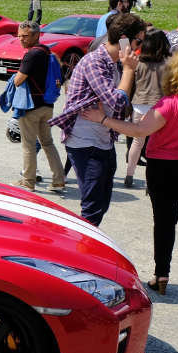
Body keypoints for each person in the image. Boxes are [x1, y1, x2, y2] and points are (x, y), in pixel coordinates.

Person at [80, 49, 178, 295]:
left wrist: (103, 119)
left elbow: (139, 131)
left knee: (164, 223)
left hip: (164, 168)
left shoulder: (170, 104)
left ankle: (161, 274)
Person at [48, 13, 147, 226]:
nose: (140, 46)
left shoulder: (113, 63)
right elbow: (118, 102)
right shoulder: (96, 61)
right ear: (123, 38)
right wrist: (129, 71)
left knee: (102, 204)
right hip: (84, 142)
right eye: (139, 41)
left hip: (103, 139)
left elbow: (122, 102)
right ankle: (82, 254)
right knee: (92, 208)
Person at [12, 20, 66, 192]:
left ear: (36, 35)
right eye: (19, 36)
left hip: (31, 107)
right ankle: (58, 180)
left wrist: (14, 78)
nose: (21, 39)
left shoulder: (31, 55)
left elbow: (18, 80)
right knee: (47, 143)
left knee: (28, 144)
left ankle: (28, 181)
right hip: (47, 105)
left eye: (25, 36)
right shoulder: (48, 52)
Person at [124, 29, 173, 187]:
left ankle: (129, 174)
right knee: (156, 145)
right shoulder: (167, 64)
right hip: (159, 107)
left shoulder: (138, 62)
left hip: (139, 104)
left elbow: (131, 84)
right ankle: (152, 178)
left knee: (137, 143)